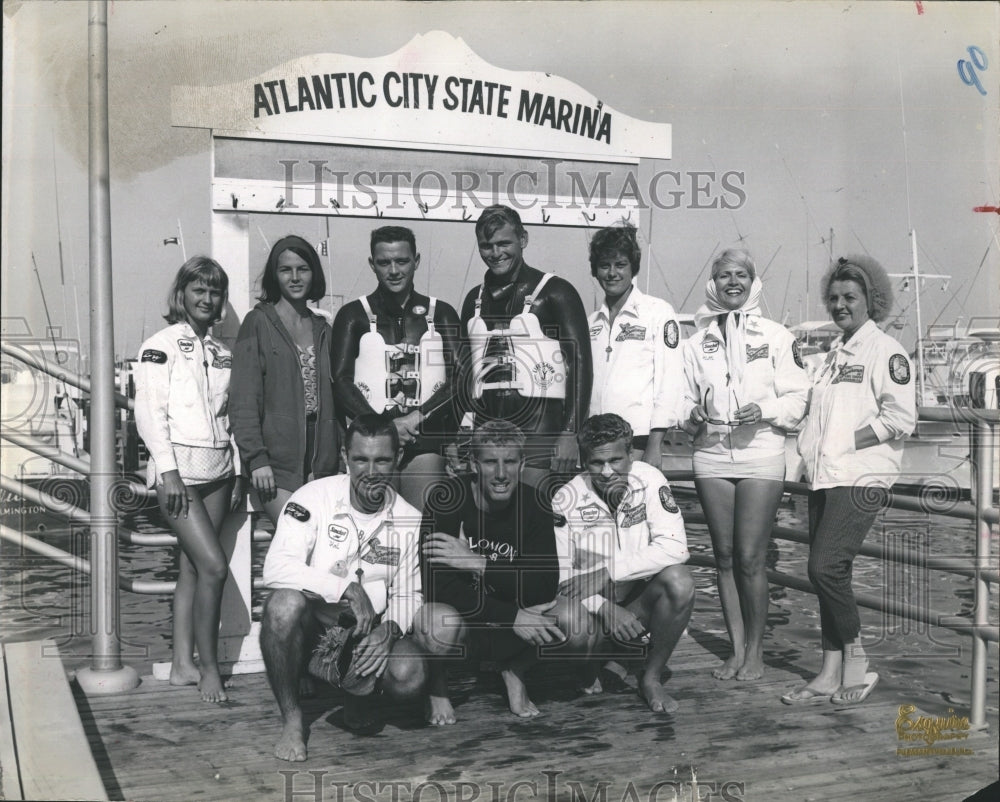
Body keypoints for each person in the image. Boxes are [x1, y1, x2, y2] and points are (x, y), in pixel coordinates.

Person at [783, 255, 916, 706]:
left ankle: (857, 666)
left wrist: (845, 441)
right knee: (823, 573)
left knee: (825, 567)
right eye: (834, 298)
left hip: (862, 476)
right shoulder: (832, 356)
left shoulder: (887, 351)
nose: (840, 305)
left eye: (850, 297)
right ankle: (828, 671)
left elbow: (900, 418)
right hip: (825, 476)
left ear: (871, 300)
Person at [260, 414, 428, 761]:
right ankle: (292, 719)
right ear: (344, 457)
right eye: (360, 459)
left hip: (364, 631)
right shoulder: (313, 497)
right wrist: (346, 588)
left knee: (410, 676)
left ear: (396, 459)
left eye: (381, 460)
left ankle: (357, 689)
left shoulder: (410, 518)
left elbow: (410, 592)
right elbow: (275, 567)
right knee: (282, 607)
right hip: (313, 627)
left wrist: (391, 630)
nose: (371, 471)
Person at [682, 248, 809, 681]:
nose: (731, 282)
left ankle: (756, 651)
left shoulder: (776, 336)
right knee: (722, 556)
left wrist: (767, 409)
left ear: (753, 282)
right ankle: (735, 649)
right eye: (723, 276)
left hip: (761, 455)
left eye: (740, 275)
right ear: (712, 283)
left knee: (751, 557)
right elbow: (683, 396)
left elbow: (798, 397)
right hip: (712, 454)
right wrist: (690, 414)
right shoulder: (696, 342)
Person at [134, 257, 243, 703]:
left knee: (193, 569)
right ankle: (209, 669)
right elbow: (149, 415)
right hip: (178, 471)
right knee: (215, 567)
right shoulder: (157, 346)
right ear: (182, 294)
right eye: (199, 290)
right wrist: (169, 473)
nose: (207, 298)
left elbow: (230, 417)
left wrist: (234, 468)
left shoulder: (222, 353)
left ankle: (181, 665)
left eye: (215, 292)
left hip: (218, 469)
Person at [419, 421, 579, 724]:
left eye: (510, 462)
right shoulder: (446, 500)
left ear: (522, 464)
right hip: (468, 619)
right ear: (474, 464)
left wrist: (479, 563)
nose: (502, 473)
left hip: (515, 616)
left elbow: (545, 585)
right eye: (491, 462)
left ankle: (515, 668)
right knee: (435, 622)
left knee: (574, 620)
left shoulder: (535, 503)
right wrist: (512, 616)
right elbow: (436, 586)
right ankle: (437, 684)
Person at [553, 413, 695, 714]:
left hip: (636, 602)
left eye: (616, 460)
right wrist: (603, 608)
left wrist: (608, 573)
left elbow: (675, 547)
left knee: (680, 581)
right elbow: (562, 575)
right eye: (596, 463)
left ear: (631, 455)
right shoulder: (565, 498)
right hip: (592, 607)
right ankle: (592, 664)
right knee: (569, 620)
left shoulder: (651, 479)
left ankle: (651, 677)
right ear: (582, 461)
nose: (606, 472)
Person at [458, 205, 593, 491]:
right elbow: (463, 374)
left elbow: (580, 363)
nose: (495, 253)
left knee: (537, 522)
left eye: (503, 243)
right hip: (487, 431)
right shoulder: (473, 299)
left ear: (523, 239)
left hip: (540, 431)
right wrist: (461, 431)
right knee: (491, 528)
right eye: (487, 246)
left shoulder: (556, 292)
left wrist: (570, 433)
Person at [331, 226, 461, 510]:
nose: (393, 270)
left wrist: (417, 417)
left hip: (424, 443)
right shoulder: (352, 315)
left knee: (417, 528)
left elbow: (462, 379)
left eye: (401, 261)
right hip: (371, 445)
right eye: (384, 262)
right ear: (371, 264)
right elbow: (340, 380)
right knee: (372, 529)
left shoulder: (442, 313)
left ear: (416, 260)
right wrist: (386, 427)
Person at [230, 235, 339, 525]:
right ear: (274, 275)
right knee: (296, 539)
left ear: (314, 273)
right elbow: (243, 401)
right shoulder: (257, 322)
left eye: (302, 269)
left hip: (323, 466)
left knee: (324, 552)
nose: (294, 277)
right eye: (285, 269)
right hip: (275, 469)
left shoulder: (324, 328)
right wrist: (257, 459)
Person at [587, 224, 684, 466]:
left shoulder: (657, 312)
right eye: (604, 265)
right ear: (595, 270)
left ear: (633, 268)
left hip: (637, 440)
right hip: (593, 439)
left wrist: (655, 445)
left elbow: (670, 381)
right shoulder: (590, 323)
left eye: (620, 265)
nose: (612, 273)